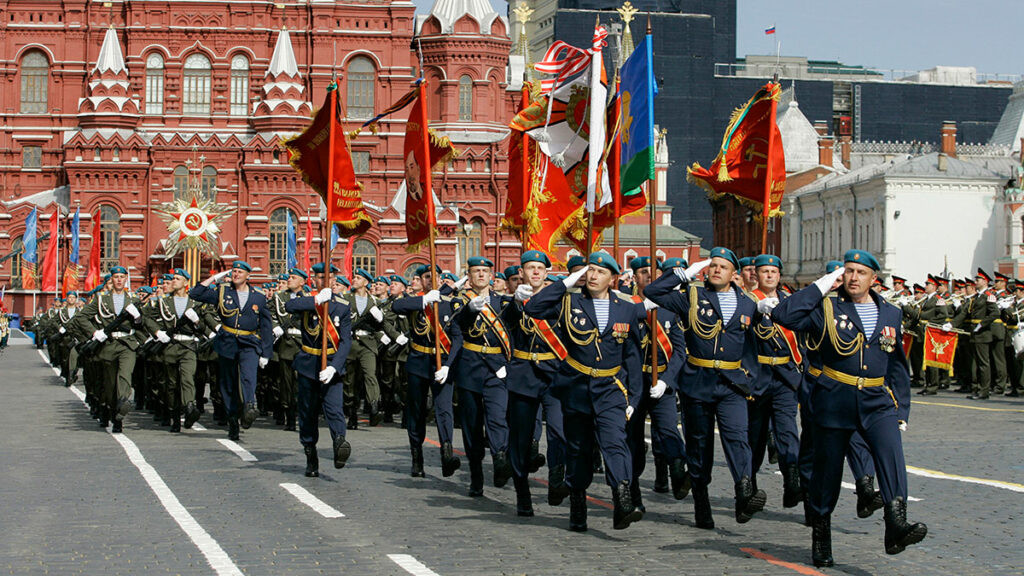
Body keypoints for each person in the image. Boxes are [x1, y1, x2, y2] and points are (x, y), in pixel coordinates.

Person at [771, 249, 926, 567]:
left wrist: (903, 411)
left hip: (877, 401)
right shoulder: (826, 307)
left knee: (892, 456)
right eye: (849, 271)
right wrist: (823, 284)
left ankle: (896, 525)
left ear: (874, 279)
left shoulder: (891, 313)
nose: (854, 277)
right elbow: (783, 315)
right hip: (835, 398)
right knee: (827, 473)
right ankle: (821, 534)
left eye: (861, 272)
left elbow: (897, 366)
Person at [645, 248, 765, 529]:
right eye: (713, 265)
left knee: (737, 437)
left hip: (732, 384)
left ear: (734, 273)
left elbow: (753, 346)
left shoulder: (747, 304)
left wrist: (750, 377)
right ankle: (701, 500)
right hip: (698, 382)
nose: (716, 270)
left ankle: (744, 492)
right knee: (699, 445)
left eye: (723, 266)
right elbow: (653, 292)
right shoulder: (692, 296)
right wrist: (682, 275)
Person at [523, 252, 643, 532]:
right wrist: (564, 284)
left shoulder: (625, 307)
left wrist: (634, 397)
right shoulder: (570, 300)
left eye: (600, 272)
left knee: (614, 442)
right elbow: (533, 309)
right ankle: (577, 502)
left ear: (612, 278)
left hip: (611, 389)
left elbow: (633, 357)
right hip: (576, 386)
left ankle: (622, 497)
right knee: (578, 449)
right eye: (589, 270)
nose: (592, 276)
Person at [503, 250, 569, 516]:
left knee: (558, 430)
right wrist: (515, 304)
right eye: (530, 268)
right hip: (523, 374)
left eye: (540, 268)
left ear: (546, 272)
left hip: (554, 373)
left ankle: (556, 477)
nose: (535, 273)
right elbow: (505, 326)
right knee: (520, 436)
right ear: (522, 273)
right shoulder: (514, 301)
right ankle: (522, 492)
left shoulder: (559, 301)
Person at [625, 256, 690, 513]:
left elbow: (680, 352)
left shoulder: (670, 309)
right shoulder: (626, 305)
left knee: (669, 431)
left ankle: (678, 471)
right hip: (634, 384)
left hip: (660, 382)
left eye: (655, 273)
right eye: (643, 272)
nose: (649, 277)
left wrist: (666, 380)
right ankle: (633, 494)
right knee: (633, 442)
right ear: (634, 277)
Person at [392, 264, 464, 478]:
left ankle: (447, 454)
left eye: (436, 276)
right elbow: (397, 307)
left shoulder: (450, 303)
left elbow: (457, 337)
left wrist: (449, 365)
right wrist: (423, 300)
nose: (432, 279)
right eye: (427, 276)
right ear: (421, 281)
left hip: (442, 362)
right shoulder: (416, 303)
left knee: (444, 410)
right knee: (416, 410)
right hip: (418, 362)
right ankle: (417, 457)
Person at [189, 261, 274, 440]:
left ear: (248, 276)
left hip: (249, 342)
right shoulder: (222, 292)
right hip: (227, 342)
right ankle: (233, 419)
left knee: (248, 375)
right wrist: (214, 277)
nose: (236, 274)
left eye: (240, 272)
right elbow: (195, 293)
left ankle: (250, 406)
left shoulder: (258, 296)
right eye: (234, 271)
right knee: (228, 384)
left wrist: (266, 352)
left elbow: (266, 326)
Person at [453, 256, 513, 496]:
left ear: (491, 276)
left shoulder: (503, 302)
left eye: (484, 271)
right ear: (469, 276)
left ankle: (500, 457)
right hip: (470, 368)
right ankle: (476, 475)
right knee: (472, 425)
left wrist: (509, 364)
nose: (480, 275)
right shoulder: (460, 301)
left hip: (496, 368)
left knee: (498, 417)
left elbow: (513, 330)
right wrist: (469, 310)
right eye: (475, 271)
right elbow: (456, 327)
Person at [747, 254, 802, 508]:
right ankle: (750, 487)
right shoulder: (746, 302)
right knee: (755, 437)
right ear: (756, 275)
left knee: (787, 430)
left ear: (780, 276)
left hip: (785, 377)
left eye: (773, 271)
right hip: (757, 378)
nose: (769, 275)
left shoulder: (789, 303)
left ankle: (792, 482)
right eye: (764, 271)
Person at [285, 282, 353, 477]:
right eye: (323, 278)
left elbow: (346, 340)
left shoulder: (342, 306)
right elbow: (289, 307)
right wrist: (316, 300)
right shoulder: (307, 301)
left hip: (331, 363)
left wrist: (334, 366)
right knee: (308, 412)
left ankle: (339, 442)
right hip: (308, 364)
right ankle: (310, 455)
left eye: (333, 279)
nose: (329, 282)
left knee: (334, 408)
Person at [70, 266, 146, 433]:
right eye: (116, 277)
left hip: (127, 344)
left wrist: (138, 317)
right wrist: (94, 332)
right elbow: (80, 317)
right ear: (111, 279)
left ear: (126, 279)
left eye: (122, 276)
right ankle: (112, 411)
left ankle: (122, 407)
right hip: (107, 345)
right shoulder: (101, 299)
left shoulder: (134, 300)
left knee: (124, 376)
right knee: (110, 383)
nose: (119, 280)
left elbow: (142, 324)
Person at [142, 268, 208, 432]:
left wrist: (197, 322)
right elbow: (146, 317)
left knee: (187, 378)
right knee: (171, 385)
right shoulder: (163, 302)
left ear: (186, 283)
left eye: (178, 279)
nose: (174, 281)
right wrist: (157, 332)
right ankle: (174, 416)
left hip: (188, 346)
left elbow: (204, 327)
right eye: (174, 279)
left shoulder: (195, 303)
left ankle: (190, 408)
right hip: (170, 346)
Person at [342, 268, 388, 428]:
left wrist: (380, 320)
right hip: (350, 343)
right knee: (350, 381)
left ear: (366, 283)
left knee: (370, 375)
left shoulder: (374, 302)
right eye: (354, 277)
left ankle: (374, 406)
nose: (354, 280)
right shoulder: (345, 298)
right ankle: (352, 412)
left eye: (358, 278)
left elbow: (380, 325)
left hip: (368, 344)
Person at [269, 268, 309, 430]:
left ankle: (299, 412)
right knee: (286, 383)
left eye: (293, 277)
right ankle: (288, 414)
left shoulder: (308, 299)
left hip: (302, 345)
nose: (290, 279)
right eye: (290, 277)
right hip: (285, 344)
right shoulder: (279, 297)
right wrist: (275, 327)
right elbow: (270, 314)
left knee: (301, 383)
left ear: (302, 282)